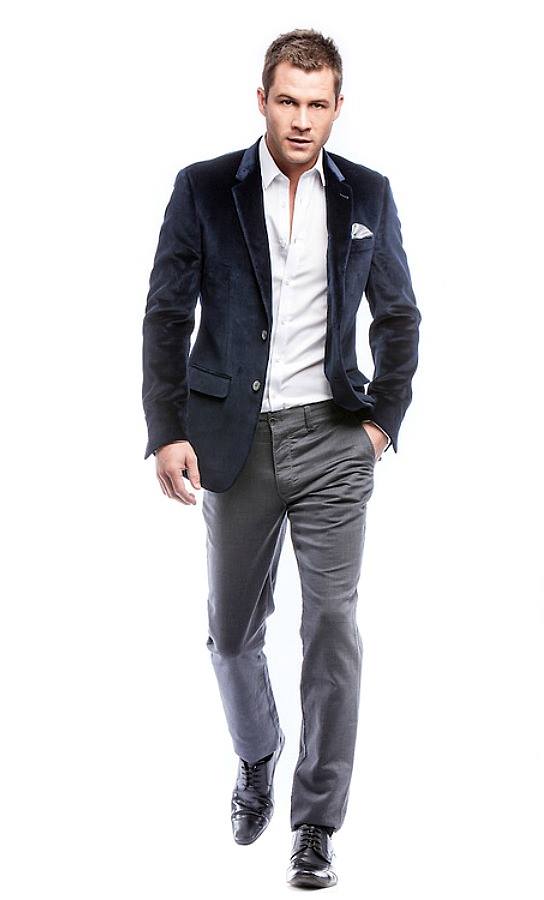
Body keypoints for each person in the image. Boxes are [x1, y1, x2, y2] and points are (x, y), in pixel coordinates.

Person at [142, 28, 421, 890]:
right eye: (288, 100)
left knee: (332, 627)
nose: (302, 119)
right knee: (232, 633)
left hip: (336, 437)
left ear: (338, 108)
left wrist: (382, 423)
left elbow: (398, 316)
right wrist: (167, 428)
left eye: (318, 103)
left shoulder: (368, 193)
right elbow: (166, 315)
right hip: (235, 440)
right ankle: (257, 751)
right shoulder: (202, 189)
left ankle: (315, 823)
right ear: (262, 99)